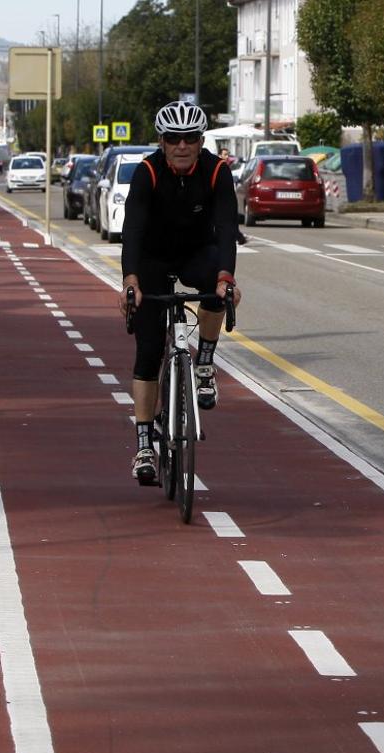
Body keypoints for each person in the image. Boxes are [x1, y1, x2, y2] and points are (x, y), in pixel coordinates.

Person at [120, 101, 242, 484]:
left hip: (196, 253)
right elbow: (133, 230)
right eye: (174, 139)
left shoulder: (217, 171)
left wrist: (226, 277)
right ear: (162, 141)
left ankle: (204, 362)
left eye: (190, 138)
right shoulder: (147, 173)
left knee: (216, 290)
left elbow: (225, 226)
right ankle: (144, 445)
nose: (182, 146)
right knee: (148, 348)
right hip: (153, 258)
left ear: (201, 140)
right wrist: (131, 281)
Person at [218, 147, 249, 245]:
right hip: (221, 198)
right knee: (229, 218)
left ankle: (238, 236)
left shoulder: (227, 165)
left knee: (232, 218)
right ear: (220, 155)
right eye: (225, 154)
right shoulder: (218, 166)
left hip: (229, 196)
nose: (227, 157)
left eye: (228, 154)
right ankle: (238, 237)